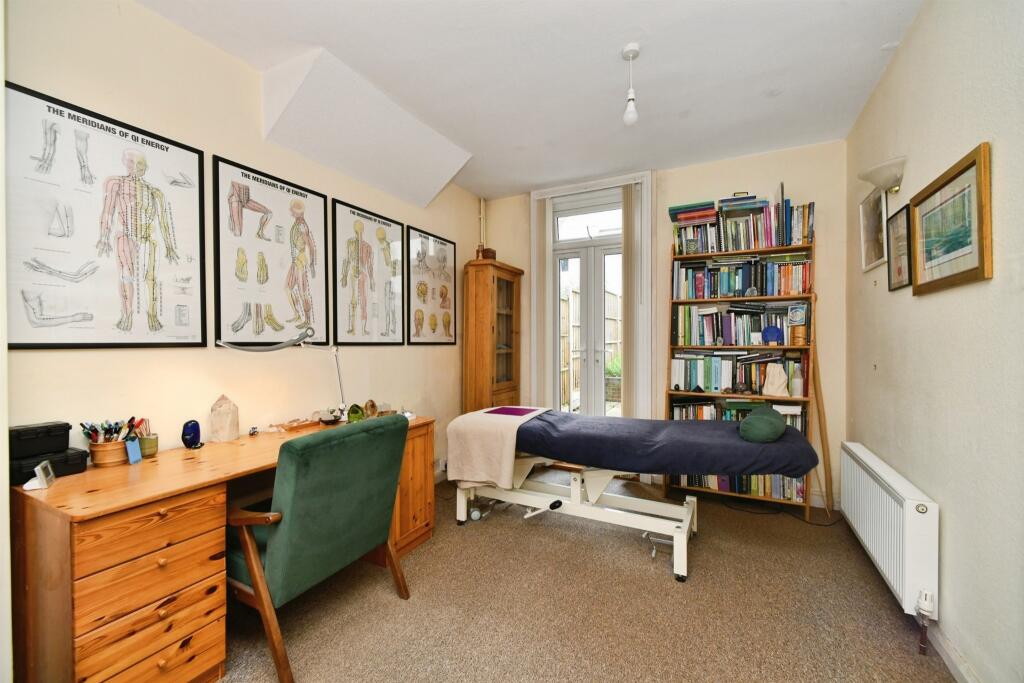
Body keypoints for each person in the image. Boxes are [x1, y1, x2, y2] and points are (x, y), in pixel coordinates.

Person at [96, 149, 179, 332]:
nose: (139, 167)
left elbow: (163, 220)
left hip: (148, 236)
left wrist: (170, 246)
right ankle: (127, 314)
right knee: (126, 274)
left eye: (141, 163)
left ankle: (152, 315)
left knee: (151, 278)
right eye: (134, 162)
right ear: (127, 163)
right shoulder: (115, 183)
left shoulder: (155, 192)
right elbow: (108, 210)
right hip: (126, 233)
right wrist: (104, 236)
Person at [285, 199, 317, 329]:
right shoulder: (297, 223)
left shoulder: (302, 225)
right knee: (288, 288)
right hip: (295, 260)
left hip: (301, 261)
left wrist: (312, 263)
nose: (290, 211)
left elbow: (311, 245)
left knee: (303, 292)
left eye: (293, 209)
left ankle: (308, 320)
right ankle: (297, 314)